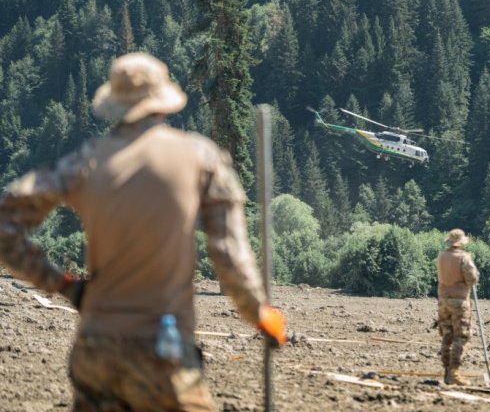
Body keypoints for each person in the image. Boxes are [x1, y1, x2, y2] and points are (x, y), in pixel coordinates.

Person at [0, 52, 287, 411]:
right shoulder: (202, 158)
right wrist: (258, 313)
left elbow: (6, 227)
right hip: (161, 353)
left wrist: (62, 285)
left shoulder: (85, 161)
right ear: (164, 103)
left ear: (114, 104)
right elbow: (229, 254)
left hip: (95, 349)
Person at [436, 228, 479, 385]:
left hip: (443, 301)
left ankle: (447, 372)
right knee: (461, 336)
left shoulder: (441, 257)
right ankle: (454, 372)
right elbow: (472, 279)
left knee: (447, 335)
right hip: (459, 302)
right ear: (461, 243)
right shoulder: (463, 258)